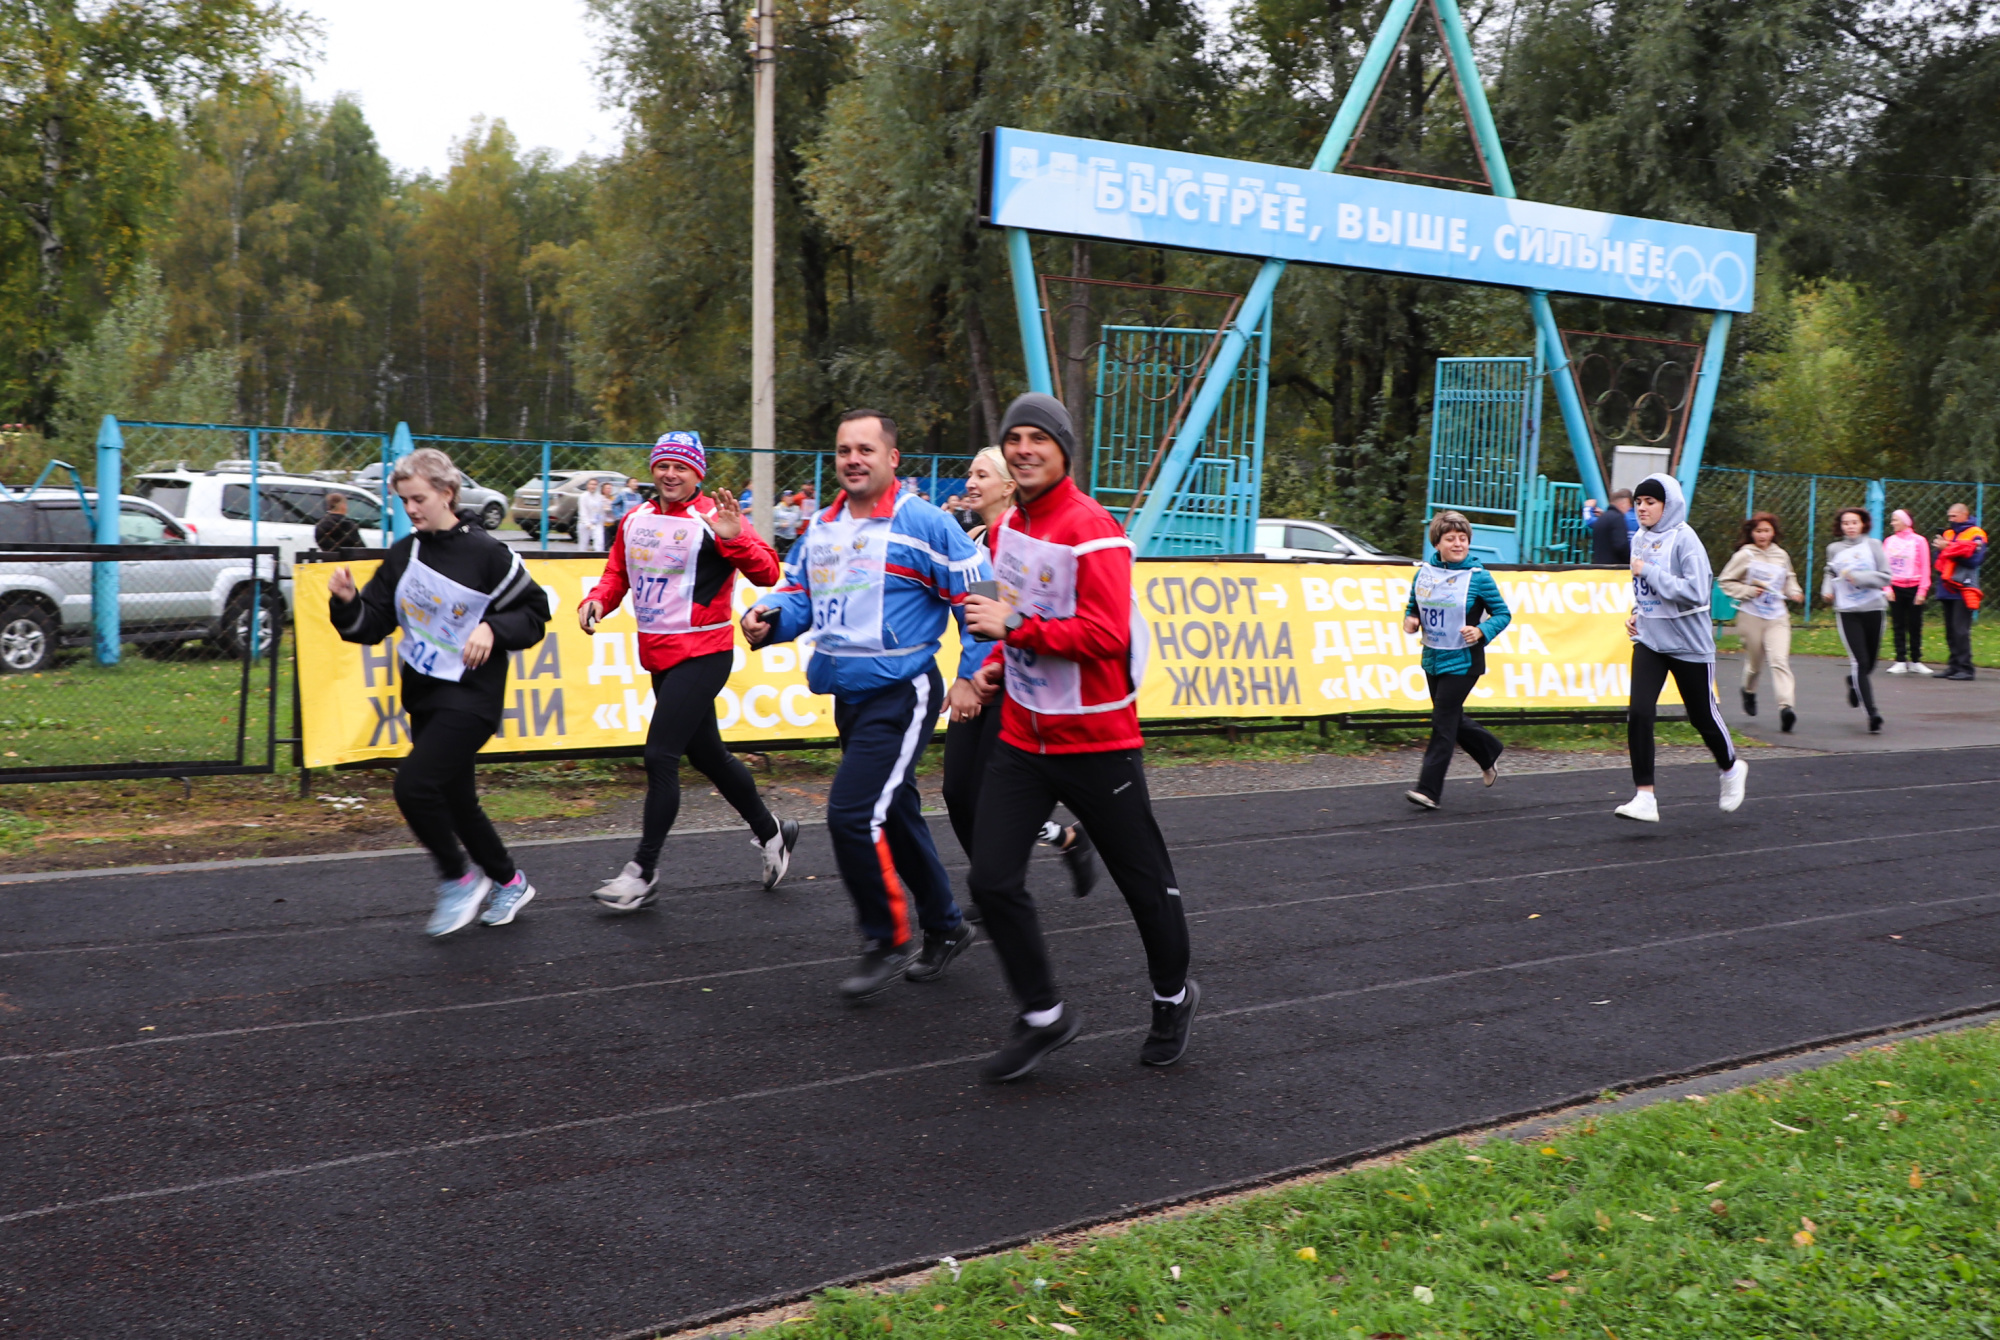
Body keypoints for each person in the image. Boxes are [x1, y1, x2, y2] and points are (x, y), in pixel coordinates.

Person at [962, 392, 1196, 1083]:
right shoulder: (1005, 532)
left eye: (1039, 438)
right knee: (992, 879)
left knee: (1146, 889)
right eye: (1014, 438)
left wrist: (1013, 633)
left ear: (1064, 449)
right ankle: (1043, 1015)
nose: (1024, 449)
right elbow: (1022, 616)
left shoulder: (1095, 530)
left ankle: (1173, 998)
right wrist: (999, 666)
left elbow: (1105, 636)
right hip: (1022, 743)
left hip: (1098, 745)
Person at [743, 409, 987, 1001]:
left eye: (865, 449)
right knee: (896, 813)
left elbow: (982, 594)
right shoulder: (822, 528)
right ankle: (947, 925)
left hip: (904, 693)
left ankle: (885, 936)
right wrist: (768, 619)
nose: (853, 459)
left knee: (852, 814)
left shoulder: (925, 523)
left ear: (892, 459)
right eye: (844, 450)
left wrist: (971, 677)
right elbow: (799, 595)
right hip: (847, 695)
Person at [326, 448, 552, 936]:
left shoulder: (487, 553)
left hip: (472, 699)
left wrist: (492, 629)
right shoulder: (405, 554)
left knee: (413, 786)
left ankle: (457, 878)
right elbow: (371, 624)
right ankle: (510, 881)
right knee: (456, 801)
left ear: (447, 494)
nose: (411, 509)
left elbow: (534, 616)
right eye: (404, 501)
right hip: (425, 695)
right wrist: (346, 603)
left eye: (419, 498)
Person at [580, 431, 799, 911]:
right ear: (653, 470)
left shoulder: (713, 517)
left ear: (698, 473)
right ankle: (773, 833)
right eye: (663, 465)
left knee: (661, 755)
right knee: (710, 756)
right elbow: (617, 573)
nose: (670, 474)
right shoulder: (635, 518)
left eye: (681, 467)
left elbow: (767, 572)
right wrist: (597, 600)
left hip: (704, 653)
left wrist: (735, 536)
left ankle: (643, 871)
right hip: (658, 655)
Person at [941, 446, 1099, 921]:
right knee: (956, 793)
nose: (970, 482)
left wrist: (973, 674)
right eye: (968, 473)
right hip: (982, 676)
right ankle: (1060, 842)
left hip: (1018, 684)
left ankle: (997, 889)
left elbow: (1012, 618)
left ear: (1009, 486)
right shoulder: (972, 541)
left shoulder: (1019, 544)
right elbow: (975, 622)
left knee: (994, 800)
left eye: (982, 475)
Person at [1615, 473, 1745, 823]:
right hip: (1651, 640)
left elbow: (1696, 592)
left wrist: (1651, 571)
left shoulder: (1687, 540)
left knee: (1701, 716)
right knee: (1639, 712)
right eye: (1639, 502)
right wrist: (1635, 614)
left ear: (1667, 505)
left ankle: (1731, 768)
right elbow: (1644, 590)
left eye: (1650, 502)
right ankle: (1645, 795)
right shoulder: (1639, 539)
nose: (1642, 508)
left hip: (1688, 644)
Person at [1400, 509, 1511, 810]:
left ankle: (1429, 790)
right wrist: (1409, 620)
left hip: (1464, 661)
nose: (1459, 544)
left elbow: (1503, 614)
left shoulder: (1479, 577)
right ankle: (1489, 751)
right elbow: (1414, 607)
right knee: (1450, 717)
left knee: (1443, 722)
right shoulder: (1424, 573)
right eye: (1451, 539)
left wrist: (1481, 630)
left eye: (1463, 538)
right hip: (1433, 658)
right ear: (1437, 543)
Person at [1716, 511, 1803, 733]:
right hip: (1751, 615)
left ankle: (1786, 708)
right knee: (1755, 663)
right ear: (1751, 533)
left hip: (1777, 616)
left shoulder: (1781, 555)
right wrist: (1748, 591)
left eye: (1766, 530)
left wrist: (1794, 592)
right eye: (1758, 531)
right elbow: (1725, 581)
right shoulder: (1745, 555)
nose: (1762, 535)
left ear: (1773, 532)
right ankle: (1748, 691)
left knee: (1779, 661)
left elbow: (1789, 579)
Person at [1822, 508, 1892, 734]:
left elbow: (1885, 576)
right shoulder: (1834, 549)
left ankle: (1853, 683)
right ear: (1840, 526)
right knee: (1860, 661)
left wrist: (1858, 577)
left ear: (1863, 524)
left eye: (1854, 522)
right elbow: (1830, 572)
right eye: (1846, 523)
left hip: (1873, 608)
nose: (1850, 526)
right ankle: (1873, 714)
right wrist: (1827, 590)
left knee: (1870, 662)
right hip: (1848, 610)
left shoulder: (1873, 545)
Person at [1934, 503, 1985, 680]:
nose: (1951, 520)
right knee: (1950, 630)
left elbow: (1974, 560)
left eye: (1954, 516)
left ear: (1965, 515)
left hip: (1964, 586)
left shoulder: (1976, 534)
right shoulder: (1948, 534)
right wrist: (1945, 549)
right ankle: (1954, 666)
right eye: (1949, 517)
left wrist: (1947, 548)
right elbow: (1938, 559)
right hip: (1947, 586)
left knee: (1960, 629)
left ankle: (1966, 668)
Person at [1883, 509, 1931, 674]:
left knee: (1915, 624)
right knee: (1898, 624)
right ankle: (1900, 660)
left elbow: (1925, 567)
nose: (1892, 523)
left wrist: (1922, 591)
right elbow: (1884, 567)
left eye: (1895, 520)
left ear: (1905, 521)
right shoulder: (1889, 541)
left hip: (1915, 587)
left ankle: (1916, 660)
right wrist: (1887, 587)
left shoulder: (1919, 541)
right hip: (1895, 587)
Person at [1591, 489, 1633, 564]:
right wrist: (1630, 561)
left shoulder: (1602, 518)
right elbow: (1621, 545)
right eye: (1628, 505)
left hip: (1599, 566)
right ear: (1623, 503)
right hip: (1614, 568)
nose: (1628, 508)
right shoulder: (1617, 518)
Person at [577, 479, 610, 551]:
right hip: (585, 523)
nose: (593, 486)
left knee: (599, 542)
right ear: (587, 485)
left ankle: (598, 558)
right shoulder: (583, 496)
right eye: (591, 484)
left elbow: (601, 510)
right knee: (583, 544)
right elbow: (583, 511)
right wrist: (587, 523)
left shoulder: (599, 497)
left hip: (597, 522)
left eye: (595, 484)